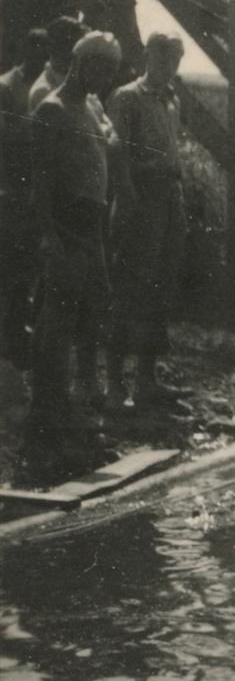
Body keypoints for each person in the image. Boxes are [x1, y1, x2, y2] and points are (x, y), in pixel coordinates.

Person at [28, 31, 122, 435]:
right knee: (58, 319)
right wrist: (48, 234)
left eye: (111, 72)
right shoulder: (53, 109)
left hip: (91, 224)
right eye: (101, 70)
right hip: (64, 224)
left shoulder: (90, 106)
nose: (106, 80)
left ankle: (72, 398)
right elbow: (41, 180)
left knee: (90, 311)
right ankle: (47, 408)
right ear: (82, 63)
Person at [104, 33, 190, 410]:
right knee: (130, 287)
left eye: (175, 59)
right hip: (140, 197)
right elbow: (115, 153)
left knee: (161, 288)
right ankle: (114, 383)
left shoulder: (172, 100)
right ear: (147, 57)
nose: (169, 66)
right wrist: (129, 196)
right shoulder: (127, 97)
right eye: (163, 58)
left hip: (170, 197)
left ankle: (146, 380)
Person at [0, 27, 50, 369]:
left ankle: (19, 333)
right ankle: (9, 337)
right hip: (11, 186)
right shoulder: (7, 86)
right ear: (24, 49)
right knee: (11, 266)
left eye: (45, 50)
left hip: (35, 186)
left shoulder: (46, 85)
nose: (40, 55)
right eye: (35, 48)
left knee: (29, 266)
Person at [27, 17, 86, 114]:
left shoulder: (78, 83)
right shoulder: (44, 91)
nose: (73, 51)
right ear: (50, 47)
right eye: (66, 43)